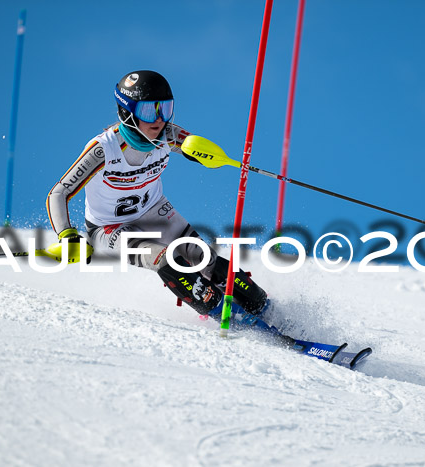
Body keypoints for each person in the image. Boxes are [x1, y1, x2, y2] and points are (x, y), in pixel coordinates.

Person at [46, 70, 272, 329]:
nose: (159, 120)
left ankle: (264, 306)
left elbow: (196, 146)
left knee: (203, 258)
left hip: (154, 211)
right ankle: (230, 318)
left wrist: (211, 155)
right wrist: (67, 235)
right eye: (149, 112)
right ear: (127, 113)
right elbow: (59, 192)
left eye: (165, 109)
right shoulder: (104, 148)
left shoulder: (169, 135)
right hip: (109, 227)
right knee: (165, 259)